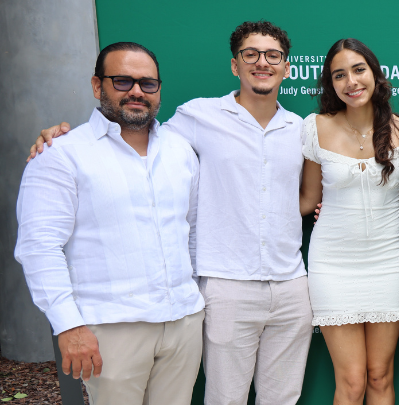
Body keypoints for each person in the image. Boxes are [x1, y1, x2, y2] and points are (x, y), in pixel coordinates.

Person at [31, 21, 315, 405]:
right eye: (251, 54)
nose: (261, 62)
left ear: (285, 66)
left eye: (272, 56)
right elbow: (40, 244)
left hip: (280, 288)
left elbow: (301, 195)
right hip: (220, 287)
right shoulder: (195, 119)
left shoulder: (300, 129)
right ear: (235, 65)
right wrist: (57, 133)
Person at [14, 42, 204, 405]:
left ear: (159, 90)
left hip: (183, 321)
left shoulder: (180, 150)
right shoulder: (61, 154)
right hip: (111, 329)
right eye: (122, 81)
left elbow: (190, 229)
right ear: (97, 86)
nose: (136, 91)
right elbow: (39, 247)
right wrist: (68, 324)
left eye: (147, 83)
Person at [298, 38, 399, 405]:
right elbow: (308, 200)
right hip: (333, 265)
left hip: (388, 261)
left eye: (359, 70)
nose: (351, 81)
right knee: (351, 382)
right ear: (330, 84)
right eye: (339, 75)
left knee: (380, 377)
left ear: (376, 75)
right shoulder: (315, 127)